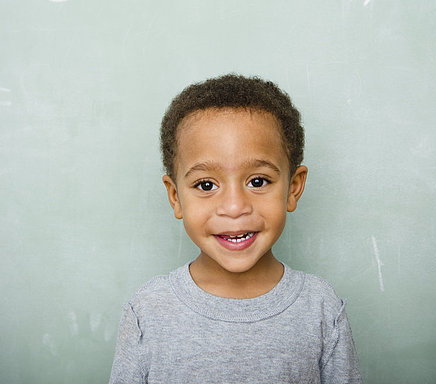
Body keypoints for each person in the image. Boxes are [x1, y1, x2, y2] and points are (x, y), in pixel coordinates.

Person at [109, 74, 363, 384]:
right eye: (206, 185)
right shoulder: (146, 312)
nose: (234, 207)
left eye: (258, 181)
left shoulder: (322, 309)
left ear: (293, 188)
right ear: (175, 197)